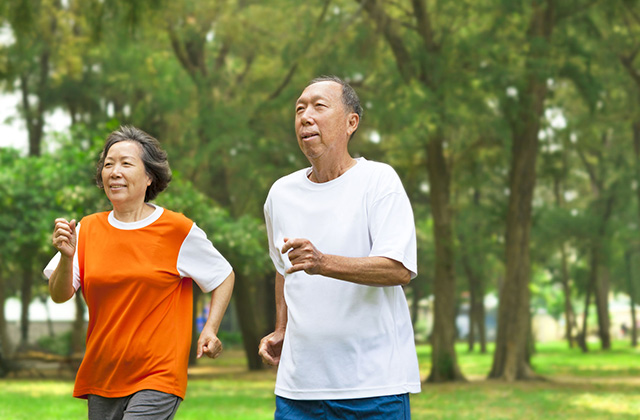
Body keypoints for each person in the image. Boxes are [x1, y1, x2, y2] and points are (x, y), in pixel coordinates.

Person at [44, 126, 235, 420]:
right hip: (103, 375)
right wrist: (67, 258)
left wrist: (210, 328)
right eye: (108, 164)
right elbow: (59, 295)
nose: (114, 172)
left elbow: (222, 275)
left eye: (126, 163)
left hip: (158, 375)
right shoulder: (86, 229)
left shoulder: (176, 230)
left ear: (149, 177)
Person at [258, 76, 421, 419]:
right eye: (299, 108)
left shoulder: (379, 181)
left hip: (372, 387)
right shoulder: (281, 194)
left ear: (351, 122)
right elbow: (283, 268)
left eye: (319, 106)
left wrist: (323, 262)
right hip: (298, 389)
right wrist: (282, 327)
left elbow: (398, 268)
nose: (305, 116)